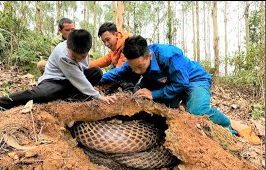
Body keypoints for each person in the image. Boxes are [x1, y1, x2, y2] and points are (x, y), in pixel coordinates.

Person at [97, 35, 261, 145]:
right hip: (169, 84)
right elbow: (117, 73)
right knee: (159, 107)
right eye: (134, 68)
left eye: (141, 66)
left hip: (193, 81)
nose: (138, 71)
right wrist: (95, 82)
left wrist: (153, 94)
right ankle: (183, 106)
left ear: (149, 56)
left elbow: (182, 83)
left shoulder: (169, 55)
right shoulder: (134, 63)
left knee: (197, 111)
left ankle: (230, 127)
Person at [0, 29, 117, 120]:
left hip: (71, 80)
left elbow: (81, 73)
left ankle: (74, 97)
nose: (80, 59)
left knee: (96, 72)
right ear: (68, 46)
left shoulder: (82, 50)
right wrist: (98, 96)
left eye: (82, 56)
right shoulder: (63, 54)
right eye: (75, 57)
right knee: (41, 94)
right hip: (54, 81)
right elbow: (78, 78)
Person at [90, 22, 140, 91]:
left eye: (108, 40)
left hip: (131, 74)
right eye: (104, 41)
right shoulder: (115, 48)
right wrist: (86, 64)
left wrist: (100, 83)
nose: (106, 44)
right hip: (119, 72)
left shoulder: (128, 46)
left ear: (116, 35)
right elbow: (104, 60)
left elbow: (119, 70)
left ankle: (128, 88)